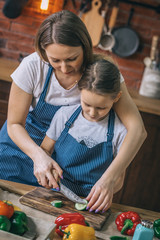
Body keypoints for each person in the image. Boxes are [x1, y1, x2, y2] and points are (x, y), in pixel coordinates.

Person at [0, 10, 146, 192]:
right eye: (55, 60)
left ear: (85, 48)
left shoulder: (101, 73)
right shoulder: (32, 66)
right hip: (20, 150)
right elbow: (14, 124)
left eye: (71, 59)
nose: (64, 67)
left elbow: (137, 130)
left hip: (65, 163)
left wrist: (110, 178)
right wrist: (38, 156)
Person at [40, 57, 127, 213]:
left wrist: (103, 193)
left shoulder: (120, 131)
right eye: (87, 104)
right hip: (56, 193)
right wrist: (48, 170)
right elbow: (45, 149)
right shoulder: (64, 116)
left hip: (92, 204)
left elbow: (119, 178)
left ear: (117, 97)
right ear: (80, 91)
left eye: (101, 107)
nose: (92, 113)